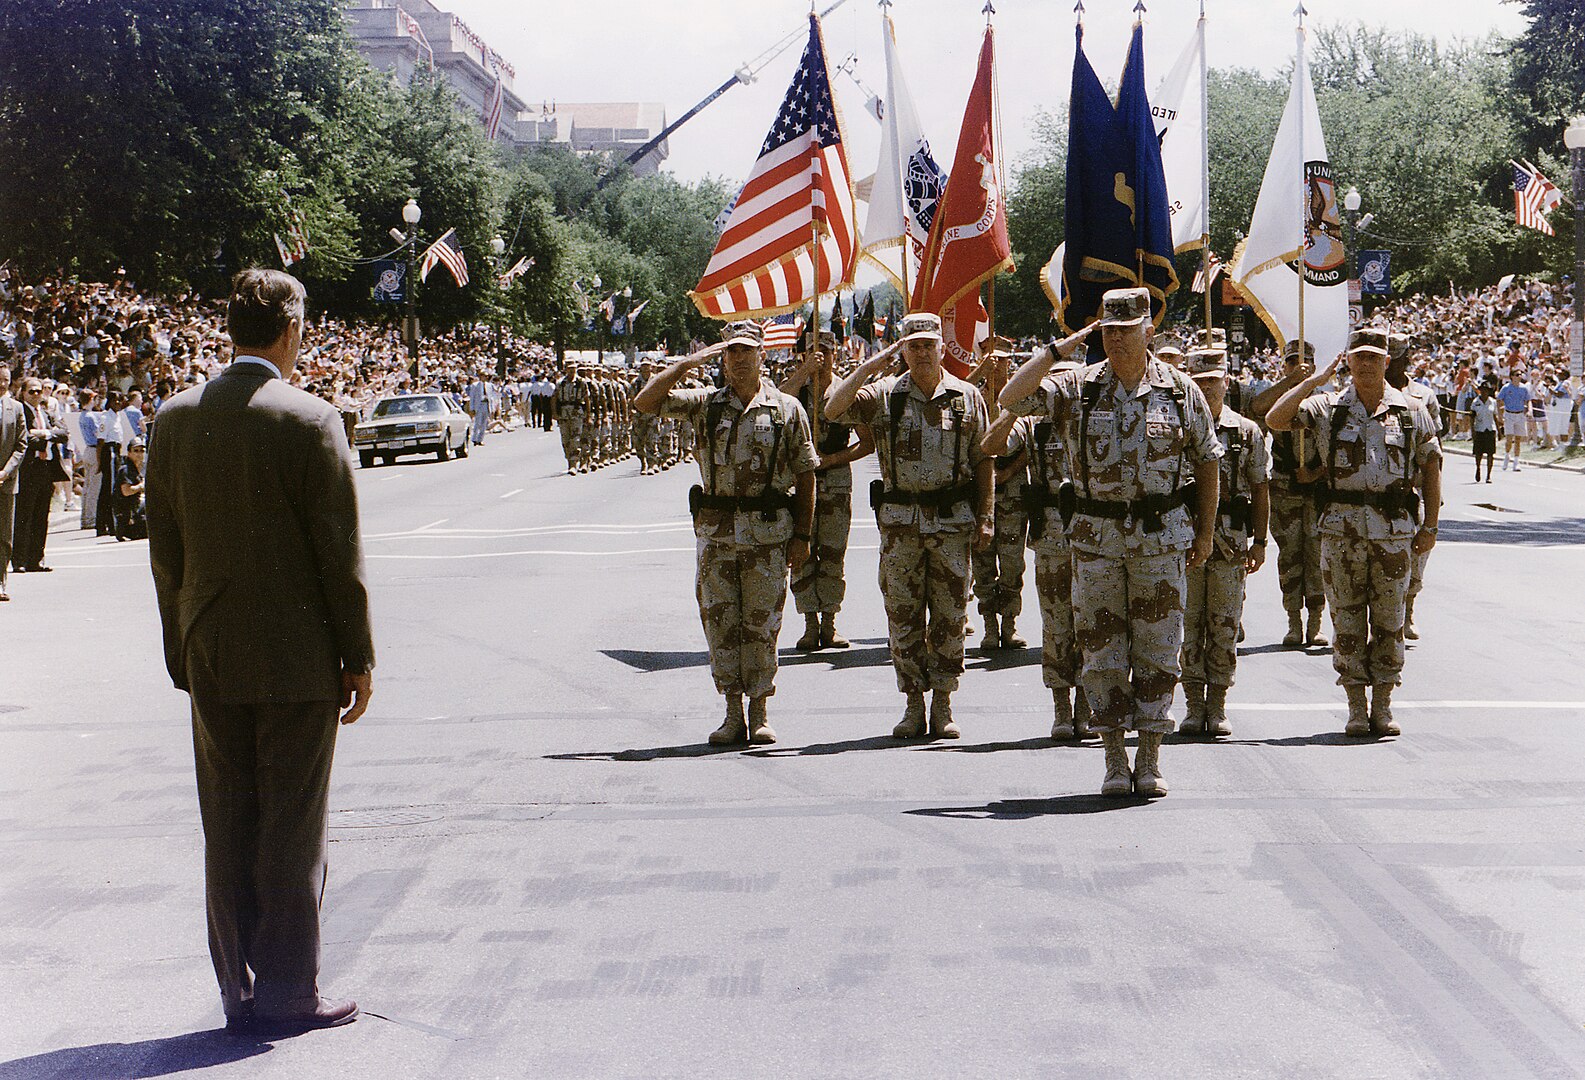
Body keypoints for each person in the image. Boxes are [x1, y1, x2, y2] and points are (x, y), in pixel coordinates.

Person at [146, 268, 374, 1035]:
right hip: (297, 652)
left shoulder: (173, 418)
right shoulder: (310, 417)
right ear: (290, 331)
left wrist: (181, 642)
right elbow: (337, 553)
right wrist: (358, 655)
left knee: (228, 819)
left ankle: (237, 988)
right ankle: (289, 990)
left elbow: (166, 549)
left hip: (209, 645)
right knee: (292, 824)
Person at [999, 287, 1222, 798]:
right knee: (1101, 653)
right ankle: (1114, 760)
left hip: (1160, 540)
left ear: (1150, 331)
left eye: (1128, 329)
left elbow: (1208, 460)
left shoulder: (1181, 391)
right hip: (1096, 542)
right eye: (1109, 330)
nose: (1118, 339)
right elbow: (1009, 399)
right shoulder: (1078, 387)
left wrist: (1206, 532)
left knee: (1159, 650)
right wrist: (1059, 350)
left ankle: (1150, 758)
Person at [634, 321, 817, 745]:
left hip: (769, 536)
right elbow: (646, 402)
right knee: (721, 625)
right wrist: (688, 362)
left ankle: (760, 710)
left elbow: (808, 474)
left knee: (763, 625)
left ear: (762, 355)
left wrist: (803, 535)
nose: (738, 359)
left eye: (746, 351)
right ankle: (732, 712)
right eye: (730, 352)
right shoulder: (706, 404)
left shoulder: (787, 408)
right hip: (717, 537)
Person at [1266, 327, 1441, 738]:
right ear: (1347, 361)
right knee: (1346, 619)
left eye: (1373, 358)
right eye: (1358, 357)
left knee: (1389, 620)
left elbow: (1430, 469)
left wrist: (1431, 526)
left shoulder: (1412, 411)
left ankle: (1383, 702)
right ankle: (1356, 705)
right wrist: (1311, 380)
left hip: (1393, 532)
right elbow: (1276, 418)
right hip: (1341, 531)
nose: (1366, 364)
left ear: (1386, 362)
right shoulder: (1328, 407)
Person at [826, 313, 994, 740]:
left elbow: (983, 461)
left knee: (950, 616)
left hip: (952, 523)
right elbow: (833, 407)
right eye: (913, 345)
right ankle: (913, 702)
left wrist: (986, 516)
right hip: (901, 526)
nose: (921, 352)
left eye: (928, 344)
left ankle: (943, 701)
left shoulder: (967, 396)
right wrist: (871, 364)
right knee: (903, 616)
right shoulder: (885, 396)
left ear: (941, 347)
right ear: (902, 349)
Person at [981, 356, 1094, 740]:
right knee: (1058, 624)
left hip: (1097, 532)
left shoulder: (1095, 416)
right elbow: (991, 445)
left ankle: (1088, 707)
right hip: (1052, 537)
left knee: (1095, 624)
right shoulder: (1033, 425)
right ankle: (1062, 709)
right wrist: (1015, 405)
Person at [1176, 348, 1270, 737]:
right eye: (1199, 382)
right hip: (1185, 538)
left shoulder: (1246, 431)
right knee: (1189, 623)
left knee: (1224, 624)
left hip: (1231, 541)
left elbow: (1261, 487)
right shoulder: (1177, 428)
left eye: (1213, 381)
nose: (1206, 388)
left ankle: (1217, 705)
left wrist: (1261, 540)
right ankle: (1193, 705)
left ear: (1226, 383)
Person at [781, 332, 874, 651]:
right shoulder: (797, 390)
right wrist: (804, 372)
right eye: (812, 350)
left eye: (825, 351)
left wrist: (833, 459)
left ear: (836, 354)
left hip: (835, 480)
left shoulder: (844, 391)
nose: (819, 356)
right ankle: (809, 624)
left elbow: (867, 442)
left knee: (833, 553)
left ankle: (830, 624)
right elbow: (777, 405)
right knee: (801, 552)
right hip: (799, 481)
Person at [1249, 341, 1329, 648]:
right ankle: (1293, 622)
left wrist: (1316, 473)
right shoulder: (1278, 398)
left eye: (1304, 360)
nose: (1298, 364)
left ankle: (1316, 622)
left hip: (1317, 487)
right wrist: (1291, 382)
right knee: (1291, 557)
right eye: (1291, 360)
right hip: (1285, 487)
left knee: (1317, 556)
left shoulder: (1324, 401)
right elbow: (1257, 410)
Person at [969, 343, 1030, 650]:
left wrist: (1006, 473)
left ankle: (1009, 623)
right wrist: (980, 372)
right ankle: (989, 626)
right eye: (993, 361)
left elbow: (1031, 445)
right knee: (982, 561)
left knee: (1011, 563)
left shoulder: (1021, 396)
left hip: (1012, 490)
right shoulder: (973, 398)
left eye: (1004, 361)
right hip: (981, 494)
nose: (999, 367)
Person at [1387, 334, 1442, 640]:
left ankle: (1408, 609)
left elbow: (1435, 450)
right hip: (1384, 485)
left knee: (1417, 554)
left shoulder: (1423, 396)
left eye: (1398, 358)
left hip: (1415, 489)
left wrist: (1434, 493)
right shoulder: (1372, 392)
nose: (1393, 364)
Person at [12, 377, 69, 574]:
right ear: (23, 392)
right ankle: (19, 559)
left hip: (46, 468)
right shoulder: (21, 411)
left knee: (41, 516)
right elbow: (25, 437)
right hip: (29, 468)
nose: (36, 395)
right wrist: (44, 436)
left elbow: (63, 433)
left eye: (39, 391)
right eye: (32, 391)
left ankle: (36, 559)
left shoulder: (45, 412)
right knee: (24, 516)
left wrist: (44, 433)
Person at [0, 365, 24, 601]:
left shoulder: (15, 408)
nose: (2, 384)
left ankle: (0, 581)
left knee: (4, 535)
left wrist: (5, 472)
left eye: (5, 379)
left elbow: (21, 445)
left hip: (6, 482)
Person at [1496, 368, 1530, 471]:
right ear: (1512, 376)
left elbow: (1528, 400)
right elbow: (1499, 400)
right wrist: (1500, 414)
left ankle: (1516, 461)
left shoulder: (1524, 388)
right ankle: (1507, 455)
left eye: (1520, 375)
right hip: (1509, 414)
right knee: (1509, 438)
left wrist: (1529, 410)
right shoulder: (1506, 388)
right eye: (1517, 375)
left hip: (1519, 414)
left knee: (1518, 439)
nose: (1519, 376)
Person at [115, 436, 148, 540]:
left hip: (136, 512)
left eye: (142, 451)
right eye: (136, 451)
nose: (139, 454)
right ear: (129, 453)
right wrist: (142, 485)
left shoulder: (137, 468)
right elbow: (126, 491)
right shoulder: (126, 470)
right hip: (130, 519)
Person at [1470, 382, 1499, 482]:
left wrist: (1499, 431)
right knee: (1479, 453)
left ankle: (1488, 475)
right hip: (1479, 429)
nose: (1484, 392)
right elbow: (1472, 417)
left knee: (1490, 454)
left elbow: (1495, 416)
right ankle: (1478, 469)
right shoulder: (1475, 402)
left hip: (1490, 429)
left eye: (1486, 390)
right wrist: (1472, 430)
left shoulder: (1493, 402)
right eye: (1482, 390)